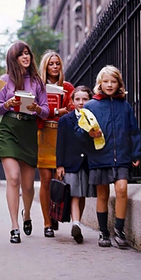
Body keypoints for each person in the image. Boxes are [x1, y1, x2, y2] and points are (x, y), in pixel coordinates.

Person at [79, 65, 141, 248]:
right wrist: (89, 135)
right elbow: (79, 131)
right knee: (103, 194)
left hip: (122, 155)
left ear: (119, 84)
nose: (109, 84)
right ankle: (103, 232)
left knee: (122, 189)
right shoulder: (91, 106)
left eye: (113, 81)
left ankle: (119, 231)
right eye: (105, 81)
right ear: (99, 83)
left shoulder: (125, 105)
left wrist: (136, 152)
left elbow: (134, 131)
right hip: (100, 156)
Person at [0, 41, 49, 243]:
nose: (26, 57)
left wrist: (36, 108)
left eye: (27, 53)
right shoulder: (4, 80)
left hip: (28, 130)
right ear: (13, 58)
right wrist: (7, 104)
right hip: (9, 129)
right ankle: (14, 227)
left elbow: (45, 111)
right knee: (14, 178)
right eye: (21, 54)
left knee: (27, 186)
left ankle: (26, 214)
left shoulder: (37, 82)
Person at [37, 50, 75, 238]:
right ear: (45, 67)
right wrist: (56, 111)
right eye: (51, 64)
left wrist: (59, 112)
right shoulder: (38, 87)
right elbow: (35, 111)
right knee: (45, 180)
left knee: (59, 179)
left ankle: (55, 214)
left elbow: (72, 109)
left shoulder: (68, 87)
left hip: (62, 135)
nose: (54, 67)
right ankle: (46, 222)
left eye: (57, 63)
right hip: (44, 134)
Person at [56, 86, 96, 243]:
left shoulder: (93, 118)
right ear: (72, 102)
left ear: (90, 100)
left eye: (85, 99)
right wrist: (60, 165)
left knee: (82, 194)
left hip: (87, 163)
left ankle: (77, 222)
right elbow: (61, 144)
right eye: (78, 99)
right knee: (74, 194)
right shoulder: (65, 120)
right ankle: (76, 223)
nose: (81, 102)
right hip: (70, 163)